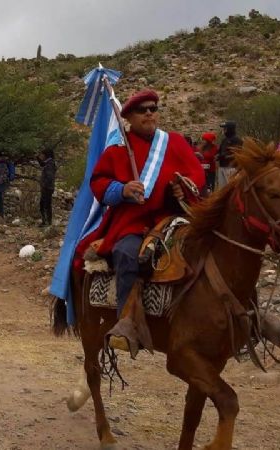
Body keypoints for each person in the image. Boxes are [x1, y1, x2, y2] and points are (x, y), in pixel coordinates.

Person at [73, 89, 205, 356]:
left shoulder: (175, 143)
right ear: (129, 117)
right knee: (127, 253)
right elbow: (99, 183)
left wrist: (181, 190)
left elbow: (195, 177)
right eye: (142, 110)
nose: (149, 113)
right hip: (132, 220)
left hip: (171, 217)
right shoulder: (118, 150)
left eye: (153, 109)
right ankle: (127, 321)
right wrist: (122, 190)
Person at [215, 121, 242, 190]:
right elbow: (220, 151)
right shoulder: (224, 140)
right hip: (222, 166)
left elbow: (235, 153)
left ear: (230, 129)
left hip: (232, 168)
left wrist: (222, 156)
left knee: (231, 188)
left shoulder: (237, 140)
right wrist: (218, 155)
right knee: (222, 189)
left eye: (225, 128)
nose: (223, 130)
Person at [38, 148, 56, 226]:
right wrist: (37, 158)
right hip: (48, 187)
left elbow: (50, 176)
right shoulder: (49, 162)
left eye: (42, 154)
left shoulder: (50, 164)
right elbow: (42, 164)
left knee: (45, 205)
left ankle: (47, 222)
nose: (41, 156)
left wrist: (44, 184)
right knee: (45, 204)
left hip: (47, 187)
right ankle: (46, 222)